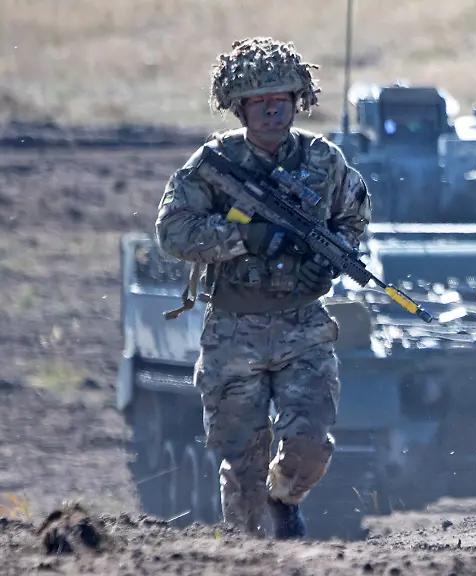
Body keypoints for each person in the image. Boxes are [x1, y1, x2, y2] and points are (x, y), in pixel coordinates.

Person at [154, 37, 371, 539]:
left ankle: (285, 498)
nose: (272, 110)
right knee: (242, 464)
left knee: (310, 444)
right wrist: (243, 236)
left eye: (281, 99)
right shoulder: (214, 164)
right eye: (259, 101)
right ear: (240, 107)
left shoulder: (325, 160)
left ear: (298, 101)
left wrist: (326, 263)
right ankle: (246, 555)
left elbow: (352, 219)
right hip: (234, 330)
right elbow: (173, 232)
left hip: (304, 325)